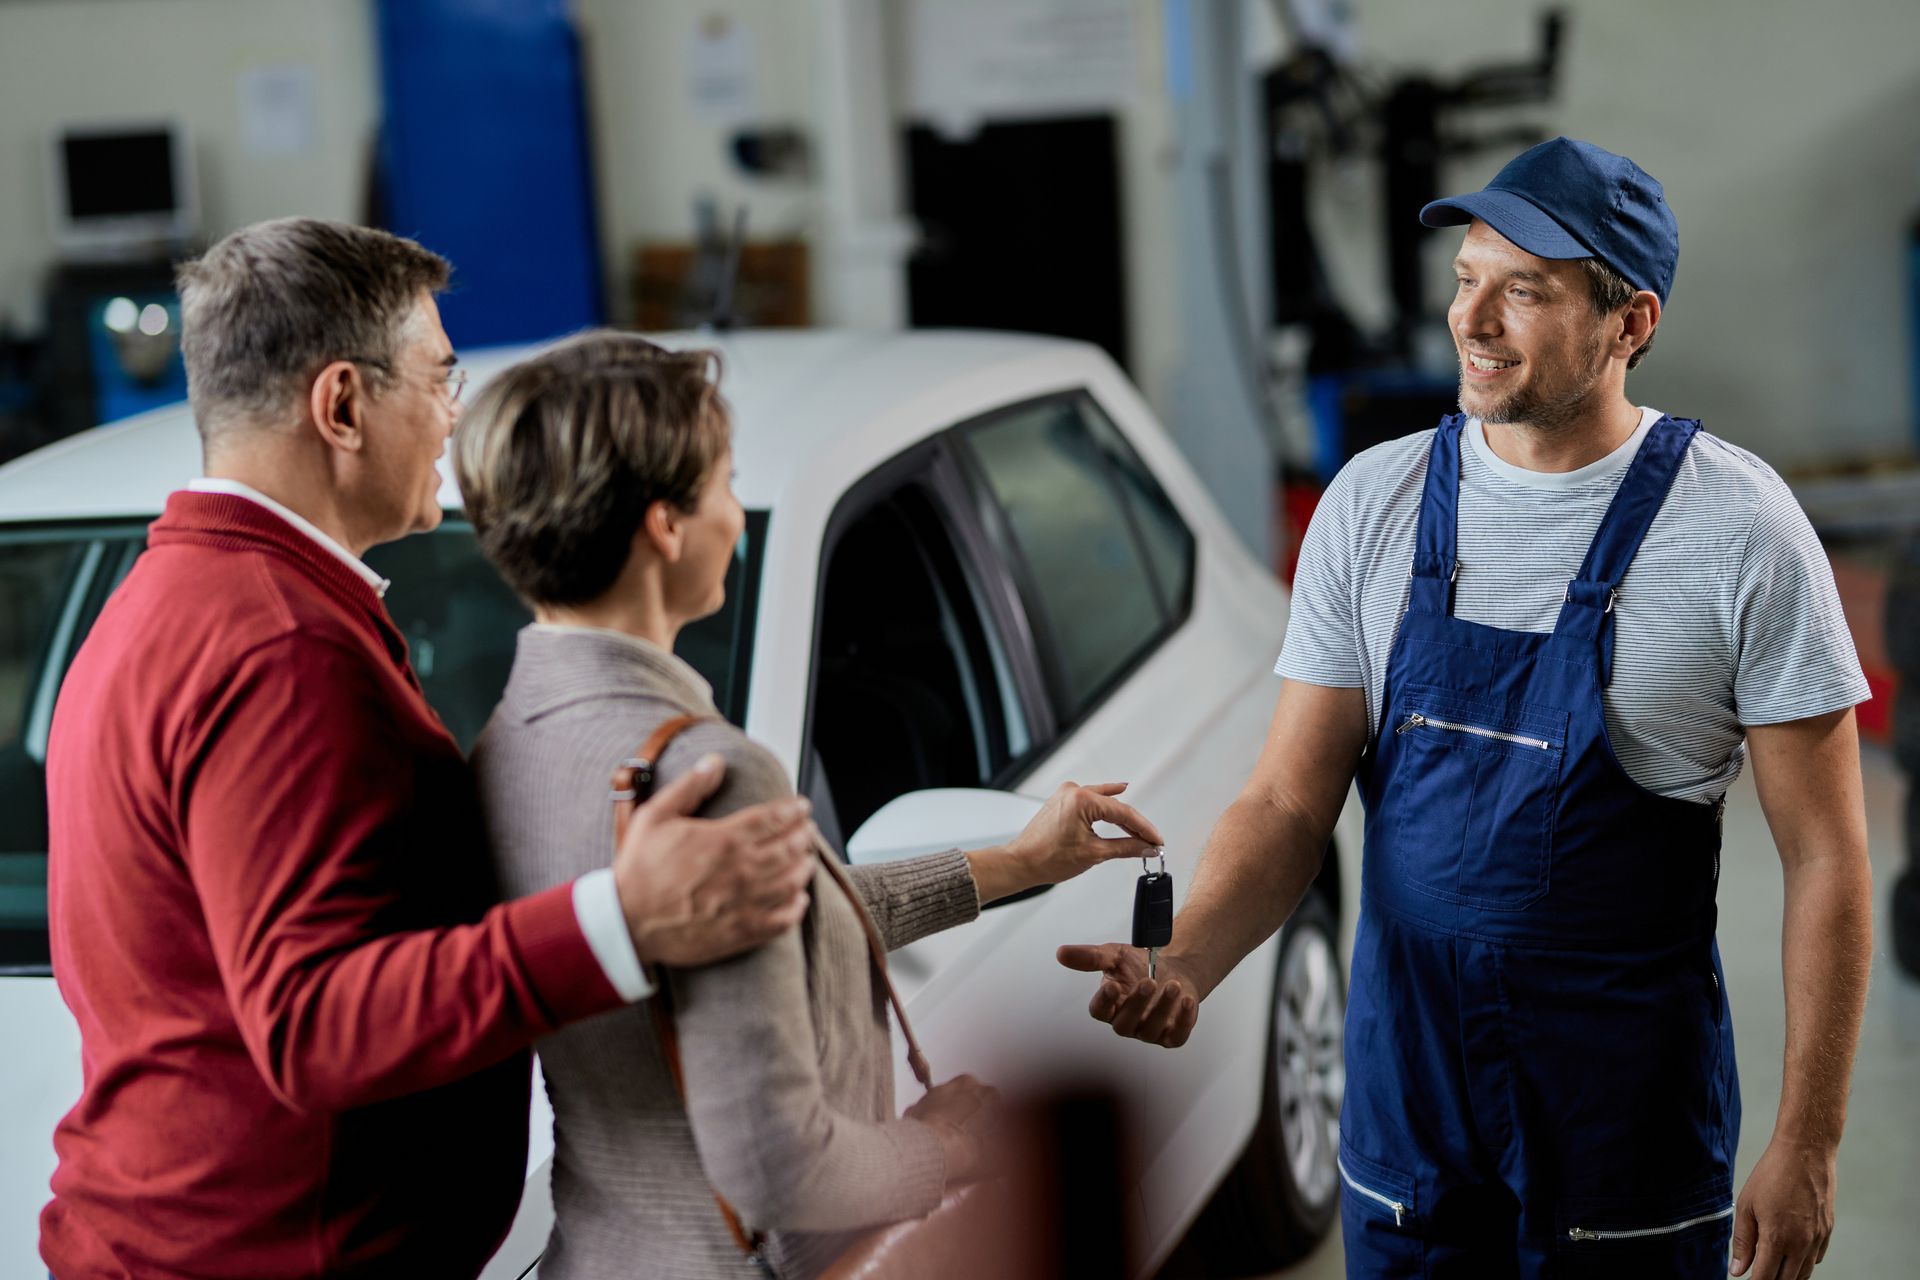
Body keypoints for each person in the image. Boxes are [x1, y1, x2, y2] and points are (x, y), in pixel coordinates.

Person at [1061, 138, 1873, 1280]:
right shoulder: (1373, 503)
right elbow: (1291, 796)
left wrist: (1811, 1139)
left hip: (1622, 1121)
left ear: (1630, 323)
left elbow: (1828, 855)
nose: (1474, 318)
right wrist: (1188, 957)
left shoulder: (1740, 531)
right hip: (1413, 1114)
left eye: (1525, 290)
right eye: (1465, 276)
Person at [42, 219, 819, 1280]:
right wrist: (623, 919)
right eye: (438, 378)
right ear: (343, 405)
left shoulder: (167, 601)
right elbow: (310, 1020)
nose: (454, 416)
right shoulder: (281, 645)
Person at [453, 331, 1167, 1280]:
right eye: (723, 486)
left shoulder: (502, 744)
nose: (735, 524)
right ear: (664, 527)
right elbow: (778, 1164)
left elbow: (770, 931)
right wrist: (945, 1148)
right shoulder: (707, 773)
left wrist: (1015, 865)